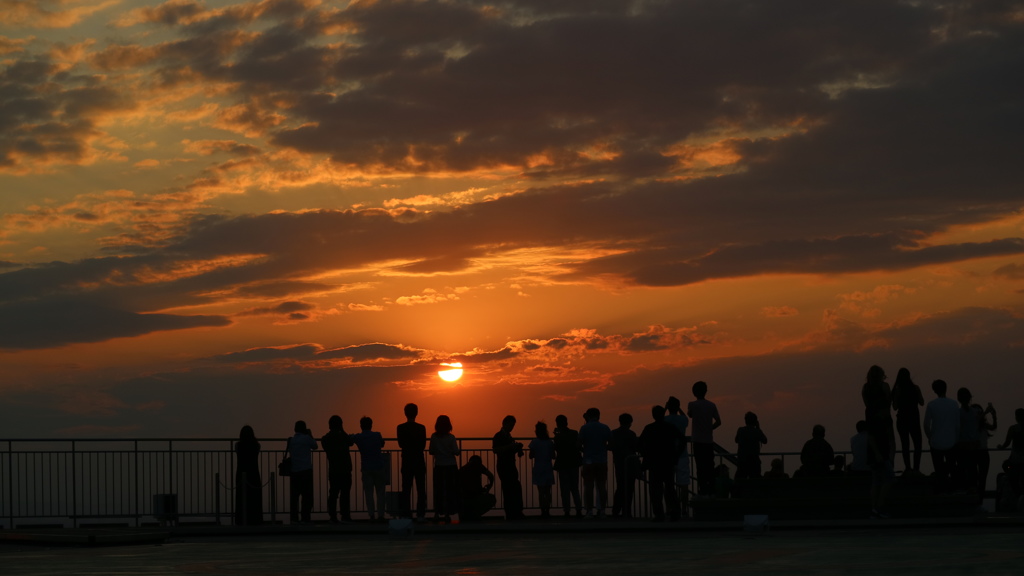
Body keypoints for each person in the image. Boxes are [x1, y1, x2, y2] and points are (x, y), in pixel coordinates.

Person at [862, 365, 895, 518]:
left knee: (876, 478)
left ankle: (874, 508)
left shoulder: (866, 388)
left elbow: (866, 404)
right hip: (880, 445)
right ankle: (880, 507)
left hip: (872, 436)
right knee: (888, 476)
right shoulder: (885, 388)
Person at [639, 405, 682, 521]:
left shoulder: (649, 428)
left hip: (654, 463)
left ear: (653, 415)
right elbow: (682, 440)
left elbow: (640, 443)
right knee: (670, 488)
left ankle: (659, 514)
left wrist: (645, 455)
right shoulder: (670, 427)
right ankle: (675, 511)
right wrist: (676, 455)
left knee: (655, 490)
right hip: (668, 462)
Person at [924, 379, 961, 492]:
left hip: (936, 442)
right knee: (951, 467)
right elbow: (958, 425)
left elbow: (926, 424)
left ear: (934, 390)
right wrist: (956, 439)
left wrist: (930, 437)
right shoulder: (954, 404)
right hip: (951, 441)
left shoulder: (931, 405)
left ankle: (941, 489)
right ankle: (953, 489)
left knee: (939, 468)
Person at [688, 381, 721, 496]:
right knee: (709, 466)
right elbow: (718, 422)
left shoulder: (692, 405)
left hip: (697, 440)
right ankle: (711, 489)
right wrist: (710, 428)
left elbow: (690, 414)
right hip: (708, 440)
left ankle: (702, 490)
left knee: (700, 467)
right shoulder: (711, 405)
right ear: (705, 391)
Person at [578, 407, 612, 518]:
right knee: (601, 486)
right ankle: (602, 510)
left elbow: (579, 443)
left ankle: (589, 511)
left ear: (588, 415)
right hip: (601, 460)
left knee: (588, 486)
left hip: (588, 461)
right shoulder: (605, 427)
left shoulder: (584, 428)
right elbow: (610, 443)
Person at [351, 416, 386, 521]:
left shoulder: (358, 437)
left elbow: (349, 440)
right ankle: (381, 515)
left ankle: (371, 515)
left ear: (361, 426)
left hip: (366, 467)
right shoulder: (377, 435)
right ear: (371, 425)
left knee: (368, 492)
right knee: (380, 492)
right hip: (379, 466)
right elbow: (382, 444)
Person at [396, 403, 427, 521]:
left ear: (405, 413)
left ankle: (406, 514)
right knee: (421, 488)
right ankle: (420, 514)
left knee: (406, 488)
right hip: (419, 460)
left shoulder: (400, 427)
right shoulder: (421, 428)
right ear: (417, 413)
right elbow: (423, 445)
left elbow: (400, 444)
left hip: (407, 460)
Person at [891, 367, 924, 474]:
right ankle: (916, 468)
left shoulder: (897, 389)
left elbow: (895, 407)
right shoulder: (915, 388)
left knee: (905, 445)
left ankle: (908, 468)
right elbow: (922, 402)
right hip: (914, 419)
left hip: (902, 419)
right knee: (917, 445)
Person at [320, 415, 354, 523]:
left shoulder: (325, 439)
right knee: (345, 494)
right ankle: (345, 515)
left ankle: (333, 516)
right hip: (345, 469)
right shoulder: (343, 437)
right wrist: (343, 430)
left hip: (334, 469)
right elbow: (351, 442)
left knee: (333, 494)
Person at [429, 414, 460, 523]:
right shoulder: (451, 437)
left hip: (439, 465)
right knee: (450, 490)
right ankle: (448, 513)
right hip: (451, 466)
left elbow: (431, 451)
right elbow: (456, 452)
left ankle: (437, 513)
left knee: (438, 490)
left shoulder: (434, 436)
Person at [492, 415, 525, 520]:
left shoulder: (509, 437)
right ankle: (511, 513)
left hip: (510, 465)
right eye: (511, 425)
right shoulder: (498, 436)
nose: (512, 427)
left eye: (513, 425)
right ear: (505, 424)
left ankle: (516, 512)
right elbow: (496, 450)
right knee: (508, 490)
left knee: (515, 488)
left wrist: (517, 449)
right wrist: (510, 447)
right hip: (503, 466)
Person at [287, 420, 317, 524]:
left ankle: (294, 518)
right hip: (306, 470)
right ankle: (305, 517)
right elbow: (315, 446)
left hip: (294, 471)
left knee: (294, 496)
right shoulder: (307, 438)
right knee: (307, 496)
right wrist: (310, 434)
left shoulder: (291, 440)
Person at [553, 414, 583, 517]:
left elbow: (556, 448)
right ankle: (579, 509)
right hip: (574, 463)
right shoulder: (574, 433)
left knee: (564, 488)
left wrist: (556, 435)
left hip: (562, 464)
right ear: (566, 422)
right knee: (574, 487)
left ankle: (567, 511)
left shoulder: (558, 436)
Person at [610, 412, 639, 518]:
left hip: (618, 463)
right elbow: (636, 447)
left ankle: (616, 511)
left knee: (620, 487)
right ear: (630, 423)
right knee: (629, 488)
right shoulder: (631, 434)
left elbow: (611, 446)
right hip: (630, 464)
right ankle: (627, 511)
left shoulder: (613, 433)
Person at [234, 425, 262, 525]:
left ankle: (241, 520)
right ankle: (255, 519)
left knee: (241, 497)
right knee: (254, 497)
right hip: (254, 472)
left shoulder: (238, 445)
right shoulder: (256, 445)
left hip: (241, 472)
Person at [664, 396, 691, 502]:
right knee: (684, 484)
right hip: (682, 455)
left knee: (668, 484)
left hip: (668, 455)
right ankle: (683, 510)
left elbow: (658, 420)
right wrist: (679, 408)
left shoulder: (665, 420)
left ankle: (670, 508)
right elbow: (685, 418)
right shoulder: (683, 419)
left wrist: (665, 408)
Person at [529, 421, 556, 518]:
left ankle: (542, 511)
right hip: (548, 467)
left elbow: (530, 456)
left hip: (538, 467)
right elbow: (553, 456)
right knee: (548, 491)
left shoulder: (534, 442)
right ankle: (548, 510)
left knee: (540, 491)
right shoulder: (549, 442)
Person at [459, 455, 496, 521]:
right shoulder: (478, 465)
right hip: (475, 497)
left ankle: (466, 514)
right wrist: (489, 487)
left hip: (462, 499)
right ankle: (475, 514)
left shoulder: (462, 469)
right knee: (492, 499)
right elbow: (491, 476)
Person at [997, 408, 1024, 494]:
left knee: (1014, 479)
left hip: (1015, 459)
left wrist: (1001, 447)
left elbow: (1007, 443)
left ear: (1016, 417)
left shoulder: (1013, 429)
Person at [734, 411, 767, 480]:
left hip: (742, 461)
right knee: (755, 482)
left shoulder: (740, 430)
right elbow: (765, 441)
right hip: (754, 462)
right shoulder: (757, 431)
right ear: (755, 422)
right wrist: (758, 428)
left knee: (740, 481)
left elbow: (736, 440)